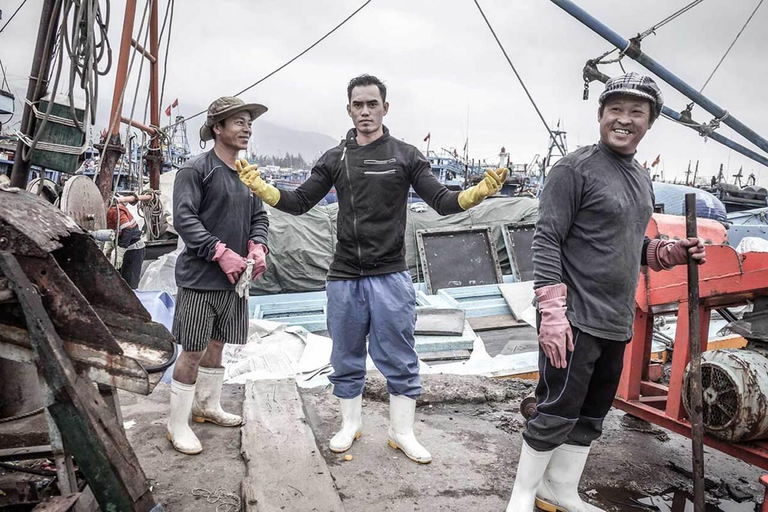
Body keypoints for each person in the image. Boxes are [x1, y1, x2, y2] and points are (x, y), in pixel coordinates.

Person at [239, 74, 507, 464]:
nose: (365, 111)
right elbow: (299, 202)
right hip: (344, 276)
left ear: (385, 107)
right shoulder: (335, 158)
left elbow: (443, 201)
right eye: (358, 105)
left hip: (391, 275)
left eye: (372, 104)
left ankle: (402, 432)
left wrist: (477, 194)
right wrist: (263, 189)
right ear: (348, 109)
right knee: (345, 355)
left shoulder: (406, 155)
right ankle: (350, 425)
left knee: (399, 355)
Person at [506, 72, 706, 512]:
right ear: (600, 115)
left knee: (592, 413)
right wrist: (552, 314)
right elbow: (546, 239)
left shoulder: (640, 178)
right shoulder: (572, 169)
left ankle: (560, 490)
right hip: (573, 316)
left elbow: (628, 244)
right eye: (615, 110)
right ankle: (522, 495)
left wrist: (670, 252)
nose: (624, 120)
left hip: (615, 319)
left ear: (649, 123)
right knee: (556, 408)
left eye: (637, 112)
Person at [166, 97, 270, 455]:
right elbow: (185, 220)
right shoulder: (196, 170)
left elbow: (260, 216)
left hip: (234, 281)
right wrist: (218, 251)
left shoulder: (246, 173)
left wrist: (258, 246)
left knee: (218, 344)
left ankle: (206, 406)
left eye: (248, 123)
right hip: (199, 279)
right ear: (217, 129)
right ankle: (176, 424)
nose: (246, 128)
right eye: (238, 122)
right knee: (192, 349)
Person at [106, 196, 145, 288]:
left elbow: (127, 230)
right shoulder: (105, 212)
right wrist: (109, 244)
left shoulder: (114, 210)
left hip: (133, 249)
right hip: (124, 246)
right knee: (119, 281)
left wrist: (120, 251)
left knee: (129, 284)